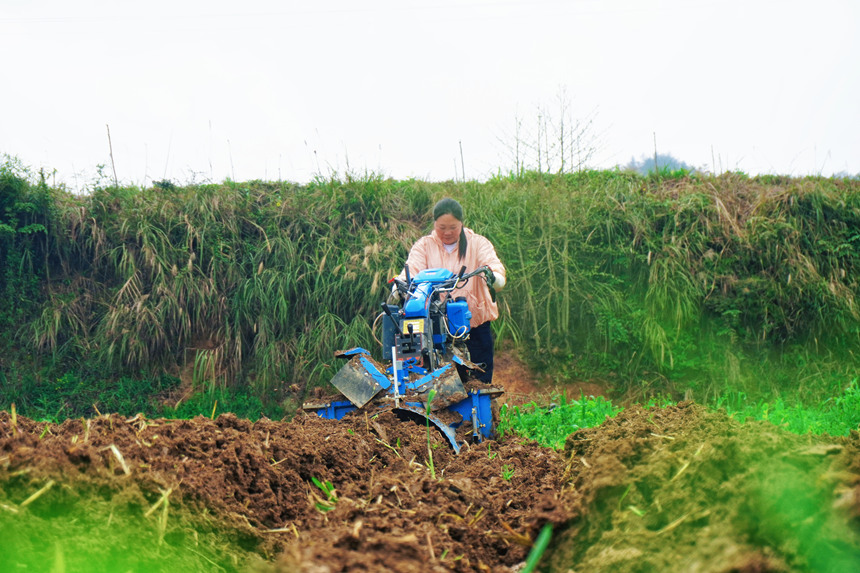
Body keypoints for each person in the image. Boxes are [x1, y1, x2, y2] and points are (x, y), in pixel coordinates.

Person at [398, 197, 506, 383]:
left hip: (473, 328)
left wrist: (494, 277)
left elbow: (493, 266)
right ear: (434, 224)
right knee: (423, 379)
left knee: (478, 384)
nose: (447, 232)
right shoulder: (424, 246)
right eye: (441, 227)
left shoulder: (478, 244)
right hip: (431, 329)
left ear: (461, 224)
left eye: (453, 227)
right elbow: (410, 271)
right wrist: (399, 284)